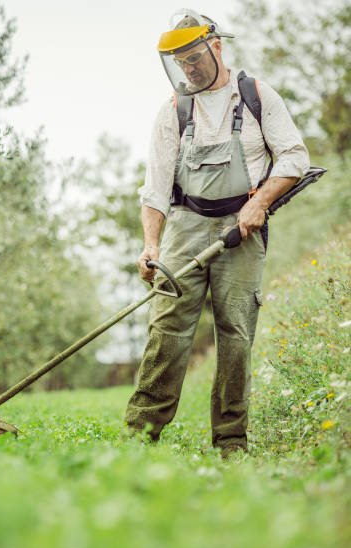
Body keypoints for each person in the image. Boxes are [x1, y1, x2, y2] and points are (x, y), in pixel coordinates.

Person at [124, 9, 310, 458]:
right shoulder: (174, 108)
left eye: (193, 57)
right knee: (167, 328)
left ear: (216, 47)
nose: (188, 68)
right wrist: (151, 245)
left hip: (241, 227)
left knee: (236, 333)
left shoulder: (257, 95)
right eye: (180, 61)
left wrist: (259, 203)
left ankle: (231, 441)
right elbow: (155, 187)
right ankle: (141, 435)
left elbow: (294, 157)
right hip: (185, 226)